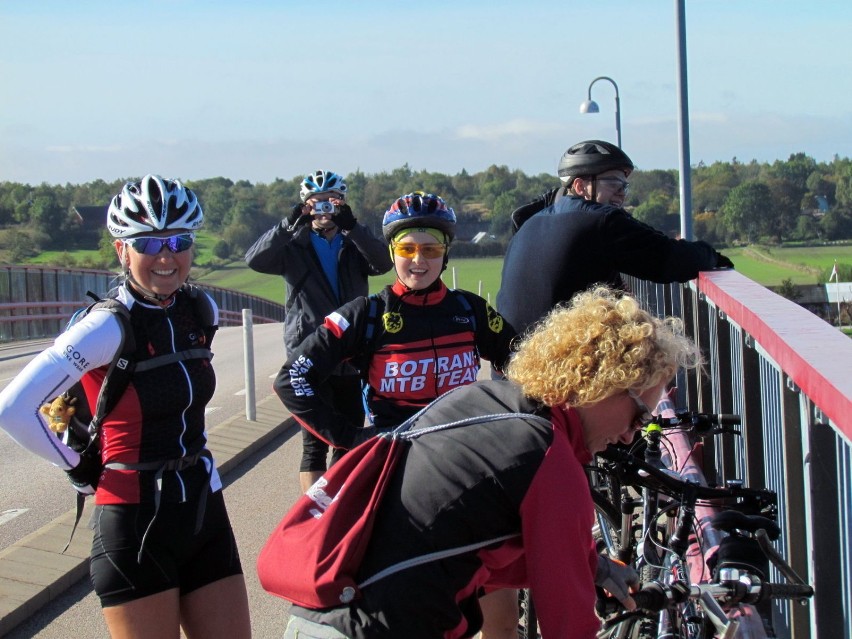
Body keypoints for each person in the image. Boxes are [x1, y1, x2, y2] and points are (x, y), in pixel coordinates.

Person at [279, 286, 701, 639]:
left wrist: (591, 566)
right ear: (605, 385)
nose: (632, 435)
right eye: (638, 416)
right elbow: (568, 627)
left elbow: (475, 550)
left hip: (315, 617)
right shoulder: (550, 460)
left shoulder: (481, 401)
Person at [0, 175, 251, 638]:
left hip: (201, 508)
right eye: (148, 243)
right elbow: (13, 408)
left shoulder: (200, 309)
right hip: (134, 523)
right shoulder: (105, 328)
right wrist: (78, 469)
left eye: (178, 241)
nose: (165, 255)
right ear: (122, 251)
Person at [274, 191, 516, 450]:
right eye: (406, 248)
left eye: (431, 249)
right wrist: (351, 437)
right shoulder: (367, 314)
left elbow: (518, 359)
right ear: (392, 252)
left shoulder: (470, 308)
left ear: (445, 254)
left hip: (463, 453)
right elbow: (292, 379)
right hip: (397, 458)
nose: (418, 260)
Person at [245, 170, 393, 492]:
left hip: (351, 349)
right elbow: (254, 259)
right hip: (309, 349)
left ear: (342, 203)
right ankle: (312, 511)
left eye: (332, 201)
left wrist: (353, 227)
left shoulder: (353, 243)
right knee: (314, 445)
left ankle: (337, 502)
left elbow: (384, 263)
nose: (324, 208)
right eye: (316, 202)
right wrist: (287, 225)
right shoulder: (293, 245)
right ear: (305, 204)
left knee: (350, 434)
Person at [496, 139, 734, 337]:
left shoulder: (531, 224)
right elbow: (671, 260)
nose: (621, 193)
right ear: (580, 186)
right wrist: (711, 255)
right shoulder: (599, 221)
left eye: (624, 186)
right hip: (556, 376)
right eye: (613, 183)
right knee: (658, 351)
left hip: (516, 369)